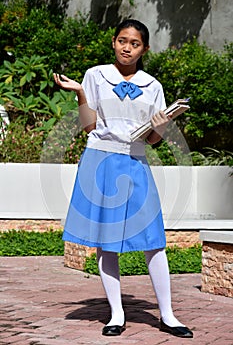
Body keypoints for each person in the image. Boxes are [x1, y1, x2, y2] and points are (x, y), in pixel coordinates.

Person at [53, 19, 193, 339]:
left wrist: (160, 125)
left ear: (144, 49)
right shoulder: (95, 75)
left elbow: (154, 140)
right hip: (100, 162)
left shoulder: (153, 85)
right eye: (122, 40)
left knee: (154, 241)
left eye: (135, 43)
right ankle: (116, 314)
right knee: (107, 243)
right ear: (114, 42)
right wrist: (79, 92)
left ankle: (167, 315)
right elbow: (89, 127)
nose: (127, 47)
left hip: (136, 161)